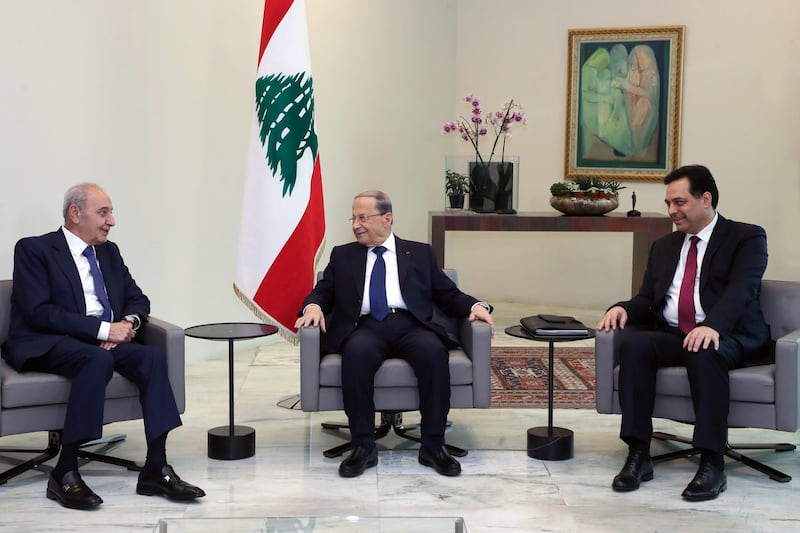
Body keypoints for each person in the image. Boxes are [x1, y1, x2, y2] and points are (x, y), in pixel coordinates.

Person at [3, 183, 205, 510]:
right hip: (51, 341)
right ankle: (65, 471)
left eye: (110, 212)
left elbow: (138, 299)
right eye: (103, 212)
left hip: (103, 341)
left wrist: (127, 325)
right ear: (75, 213)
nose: (111, 221)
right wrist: (102, 330)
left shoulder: (108, 252)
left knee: (151, 358)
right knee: (95, 360)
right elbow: (39, 312)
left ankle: (156, 467)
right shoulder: (34, 249)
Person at [596, 164, 770, 502]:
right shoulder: (664, 247)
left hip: (729, 335)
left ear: (705, 199)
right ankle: (638, 454)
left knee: (702, 348)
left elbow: (742, 290)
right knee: (635, 345)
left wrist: (712, 326)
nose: (672, 211)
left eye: (679, 202)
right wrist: (623, 308)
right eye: (668, 204)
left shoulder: (746, 237)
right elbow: (647, 299)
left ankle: (711, 462)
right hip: (677, 334)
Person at [295, 190, 494, 478]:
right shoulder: (343, 255)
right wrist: (313, 306)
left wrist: (476, 305)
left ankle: (433, 446)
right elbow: (322, 291)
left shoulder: (420, 253)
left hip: (411, 324)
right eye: (353, 218)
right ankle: (363, 447)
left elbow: (447, 293)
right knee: (356, 355)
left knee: (433, 354)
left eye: (363, 217)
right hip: (365, 327)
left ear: (387, 218)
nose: (355, 225)